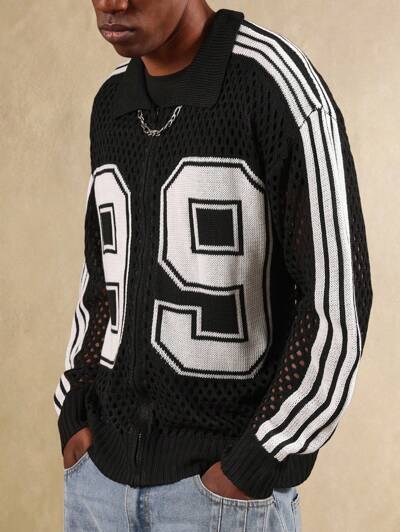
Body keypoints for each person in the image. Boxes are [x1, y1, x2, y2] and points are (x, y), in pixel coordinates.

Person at [54, 1, 373, 530]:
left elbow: (337, 301)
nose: (112, 3)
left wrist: (254, 463)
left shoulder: (276, 85)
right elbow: (102, 282)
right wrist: (74, 413)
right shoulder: (111, 102)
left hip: (222, 499)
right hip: (97, 488)